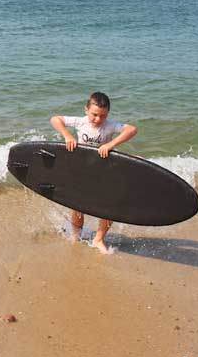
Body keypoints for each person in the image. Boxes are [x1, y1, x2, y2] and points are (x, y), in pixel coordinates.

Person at [50, 91, 138, 254]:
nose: (98, 119)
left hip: (104, 170)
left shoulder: (110, 126)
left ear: (108, 114)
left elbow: (132, 130)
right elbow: (55, 119)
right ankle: (76, 236)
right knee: (78, 205)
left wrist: (110, 145)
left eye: (102, 116)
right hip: (82, 170)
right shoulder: (80, 122)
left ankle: (98, 239)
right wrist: (68, 135)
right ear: (86, 110)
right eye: (94, 115)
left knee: (110, 205)